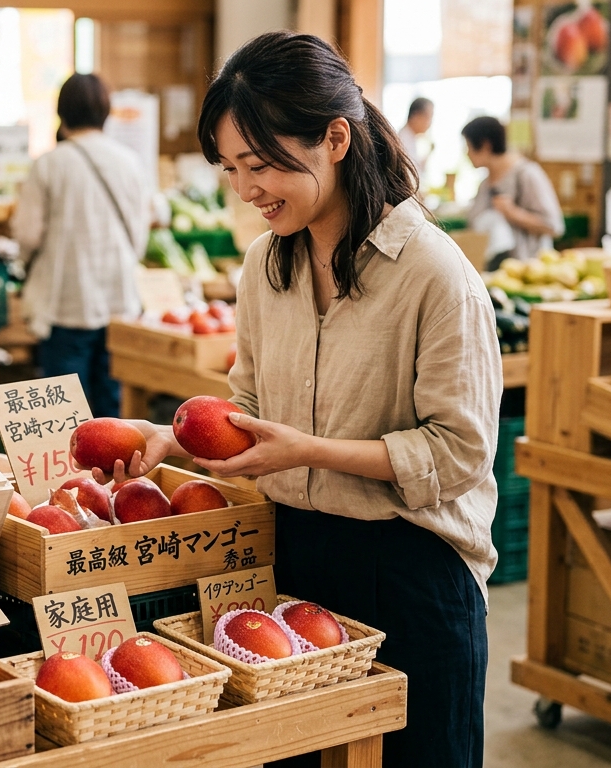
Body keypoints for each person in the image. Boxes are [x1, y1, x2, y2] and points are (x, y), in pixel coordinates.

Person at [91, 31, 500, 767]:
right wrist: (168, 437)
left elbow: (460, 454)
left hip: (413, 569)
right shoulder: (262, 268)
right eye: (232, 169)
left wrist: (307, 451)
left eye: (260, 165)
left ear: (334, 138)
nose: (246, 190)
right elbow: (248, 411)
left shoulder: (435, 275)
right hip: (292, 557)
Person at [12, 74, 149, 419]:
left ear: (64, 113)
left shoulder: (49, 164)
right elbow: (140, 233)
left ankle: (71, 475)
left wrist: (26, 264)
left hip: (65, 303)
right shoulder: (129, 162)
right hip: (119, 300)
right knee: (112, 412)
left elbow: (28, 235)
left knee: (65, 416)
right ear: (105, 111)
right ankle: (115, 473)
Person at [463, 115, 564, 268]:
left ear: (485, 145)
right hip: (494, 272)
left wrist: (512, 212)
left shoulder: (527, 174)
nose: (467, 153)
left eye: (469, 147)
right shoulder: (485, 183)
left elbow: (554, 226)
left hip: (528, 271)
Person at [398, 97, 433, 176]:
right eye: (428, 117)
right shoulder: (402, 140)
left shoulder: (411, 138)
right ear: (416, 115)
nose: (430, 123)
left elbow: (416, 168)